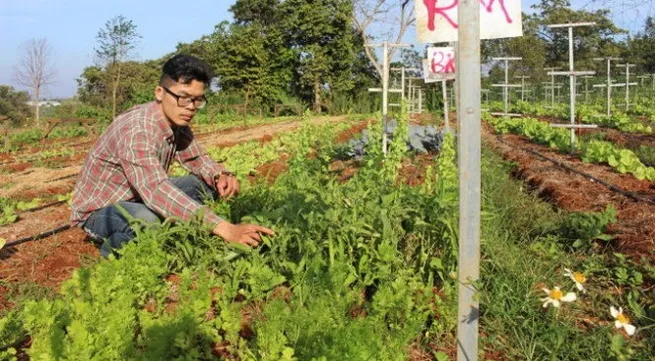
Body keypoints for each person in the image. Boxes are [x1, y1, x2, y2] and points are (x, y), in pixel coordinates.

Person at [70, 54, 274, 257]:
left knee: (203, 185)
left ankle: (171, 222)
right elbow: (156, 190)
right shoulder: (137, 131)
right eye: (183, 98)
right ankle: (114, 252)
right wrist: (225, 228)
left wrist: (220, 175)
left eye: (198, 100)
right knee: (147, 222)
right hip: (100, 211)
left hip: (139, 196)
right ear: (160, 93)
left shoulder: (176, 121)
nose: (191, 107)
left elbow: (196, 159)